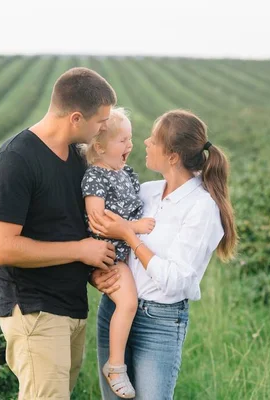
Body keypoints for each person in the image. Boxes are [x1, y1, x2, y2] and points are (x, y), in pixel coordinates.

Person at [0, 67, 119, 400]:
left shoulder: (76, 159)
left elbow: (67, 228)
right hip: (35, 309)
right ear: (76, 118)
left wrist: (93, 267)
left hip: (70, 307)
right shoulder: (15, 161)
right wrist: (79, 251)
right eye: (101, 120)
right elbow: (2, 249)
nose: (105, 127)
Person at [89, 109, 238, 400]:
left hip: (159, 323)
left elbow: (176, 281)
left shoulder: (202, 208)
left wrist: (130, 236)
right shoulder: (147, 191)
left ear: (172, 156)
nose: (144, 143)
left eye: (153, 140)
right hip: (115, 308)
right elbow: (106, 235)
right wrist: (98, 275)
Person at [80, 107, 156, 398]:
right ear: (100, 147)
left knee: (128, 303)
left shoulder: (127, 174)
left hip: (124, 253)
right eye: (122, 140)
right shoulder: (97, 177)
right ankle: (115, 365)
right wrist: (133, 227)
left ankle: (119, 361)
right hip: (109, 256)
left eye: (130, 139)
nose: (130, 145)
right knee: (127, 303)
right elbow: (98, 221)